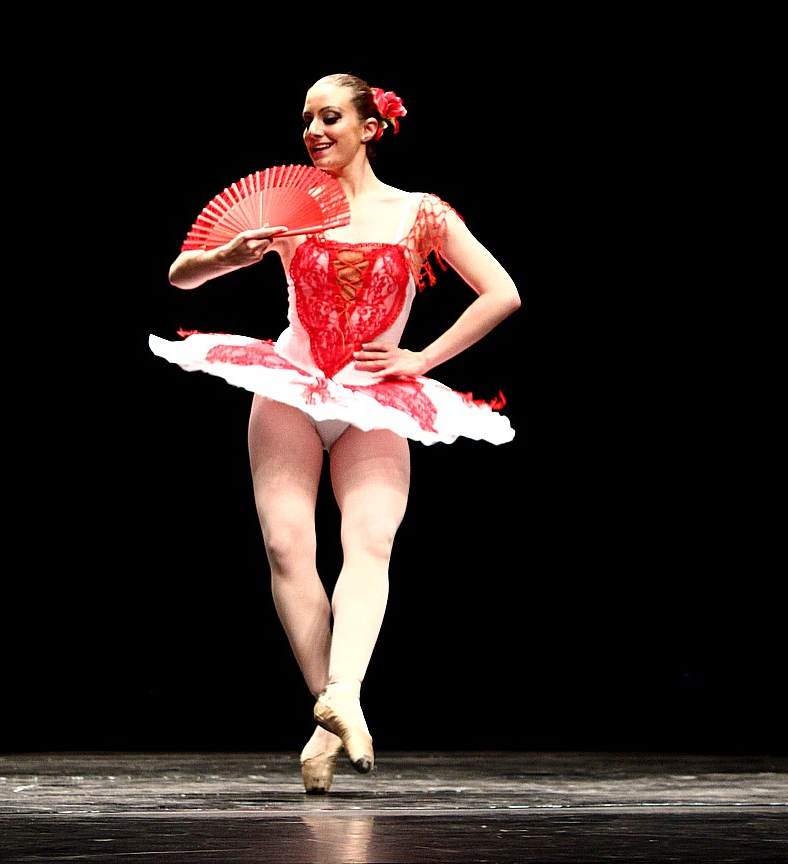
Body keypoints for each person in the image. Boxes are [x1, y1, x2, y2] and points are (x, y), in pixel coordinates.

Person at [149, 73, 520, 793]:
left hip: (373, 399)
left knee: (370, 541)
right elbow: (180, 275)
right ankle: (338, 701)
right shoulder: (292, 208)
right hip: (293, 383)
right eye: (306, 120)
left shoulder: (419, 212)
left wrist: (422, 358)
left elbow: (502, 291)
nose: (313, 132)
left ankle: (335, 706)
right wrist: (229, 256)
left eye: (329, 118)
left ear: (370, 128)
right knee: (287, 546)